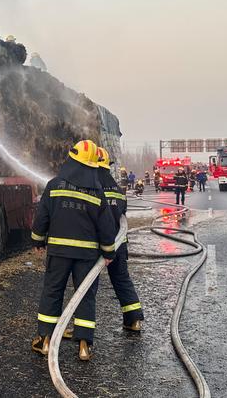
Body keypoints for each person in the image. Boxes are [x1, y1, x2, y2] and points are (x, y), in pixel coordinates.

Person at [31, 140, 118, 362]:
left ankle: (45, 340)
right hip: (87, 256)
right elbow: (106, 226)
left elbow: (42, 216)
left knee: (52, 291)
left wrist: (38, 240)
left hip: (59, 252)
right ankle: (84, 346)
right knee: (85, 296)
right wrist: (109, 252)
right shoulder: (97, 192)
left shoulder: (54, 185)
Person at [95, 147, 144, 332]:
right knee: (122, 279)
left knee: (87, 286)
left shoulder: (91, 186)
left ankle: (82, 330)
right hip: (119, 243)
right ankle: (134, 320)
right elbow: (122, 212)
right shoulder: (117, 188)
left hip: (96, 244)